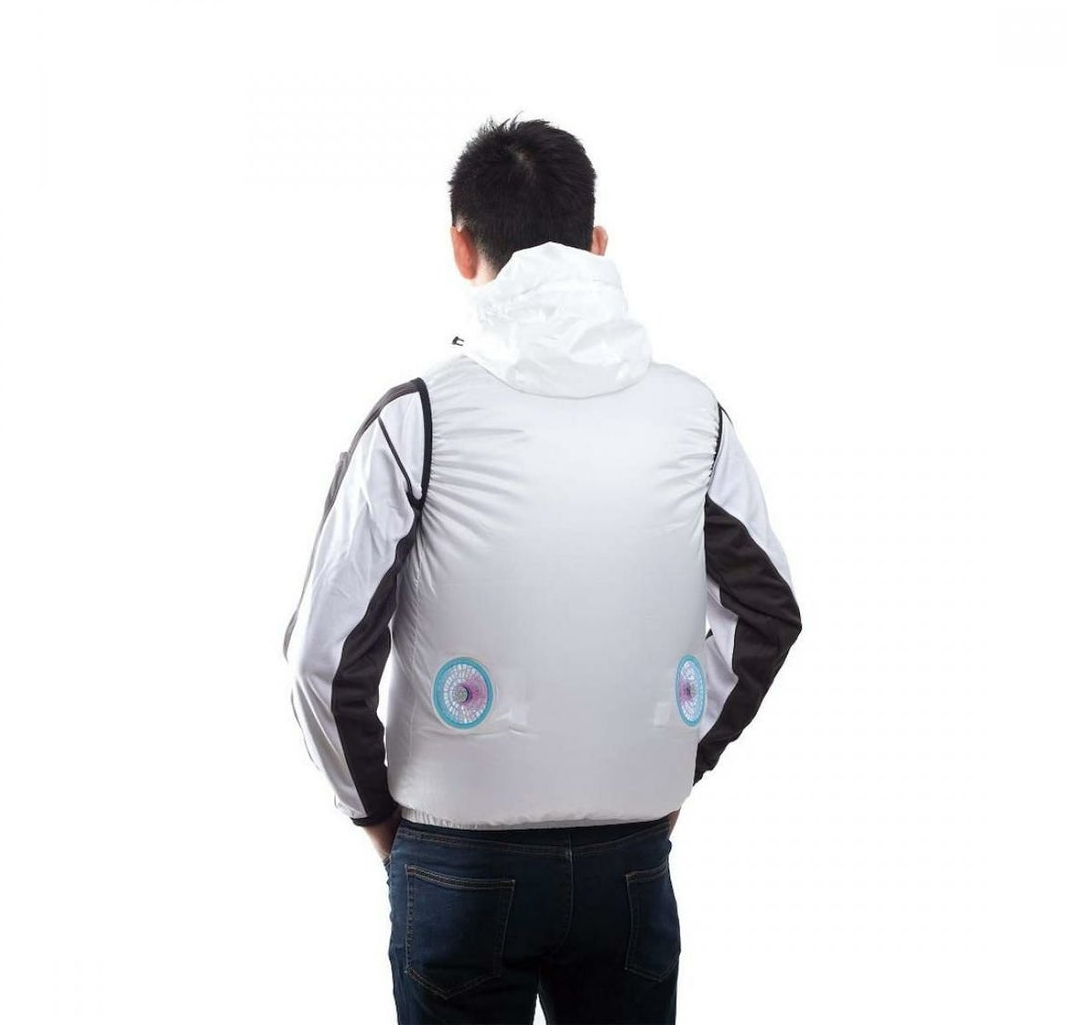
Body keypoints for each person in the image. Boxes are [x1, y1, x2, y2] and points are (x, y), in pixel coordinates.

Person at [283, 114, 802, 1024]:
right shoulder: (695, 417)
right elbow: (768, 613)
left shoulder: (418, 418)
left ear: (461, 246)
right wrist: (675, 762)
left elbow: (321, 659)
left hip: (457, 856)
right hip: (629, 861)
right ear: (596, 244)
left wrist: (378, 819)